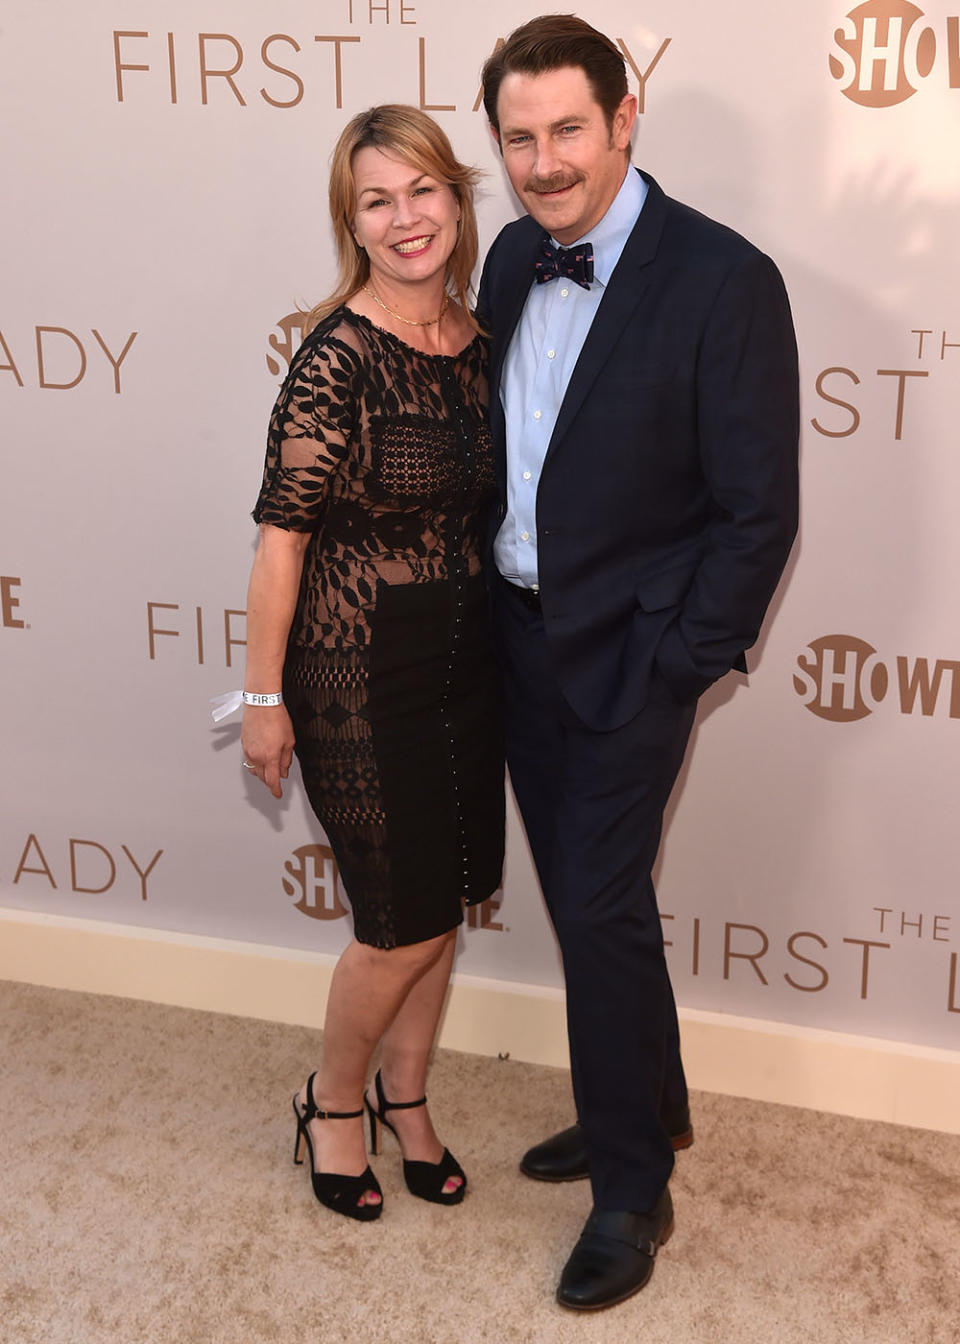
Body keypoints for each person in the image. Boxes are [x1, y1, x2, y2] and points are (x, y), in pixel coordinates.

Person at [477, 16, 799, 1310]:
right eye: (519, 137)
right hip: (511, 637)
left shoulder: (724, 278)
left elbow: (757, 509)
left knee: (600, 903)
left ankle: (629, 1191)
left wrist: (683, 662)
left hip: (633, 660)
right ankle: (649, 1107)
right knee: (587, 898)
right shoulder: (507, 258)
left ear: (624, 118)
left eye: (567, 129)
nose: (544, 162)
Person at [240, 105, 504, 1221]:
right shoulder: (334, 359)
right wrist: (262, 700)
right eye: (376, 202)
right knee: (401, 921)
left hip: (464, 661)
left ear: (455, 198)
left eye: (422, 192)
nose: (406, 220)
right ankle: (334, 1100)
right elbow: (281, 540)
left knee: (444, 902)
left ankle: (408, 1098)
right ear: (353, 222)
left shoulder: (477, 339)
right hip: (355, 669)